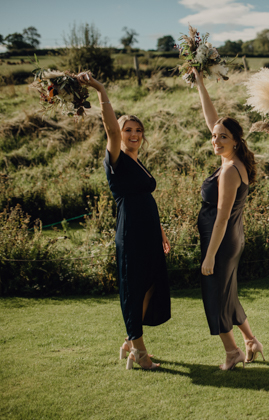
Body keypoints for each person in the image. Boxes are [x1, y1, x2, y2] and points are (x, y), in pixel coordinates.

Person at [77, 72, 171, 370]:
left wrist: (160, 231)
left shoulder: (136, 161)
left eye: (138, 130)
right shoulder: (115, 157)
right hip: (130, 230)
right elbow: (111, 131)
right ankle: (139, 352)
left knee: (150, 285)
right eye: (127, 129)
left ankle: (131, 342)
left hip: (148, 230)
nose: (133, 134)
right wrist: (99, 89)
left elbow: (146, 199)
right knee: (134, 287)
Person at [193, 68, 263, 370]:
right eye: (214, 136)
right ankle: (250, 341)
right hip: (230, 238)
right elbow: (213, 120)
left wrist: (209, 256)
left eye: (222, 137)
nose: (216, 140)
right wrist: (199, 83)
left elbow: (221, 218)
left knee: (214, 297)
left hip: (220, 241)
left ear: (235, 140)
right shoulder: (232, 160)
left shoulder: (229, 171)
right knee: (228, 293)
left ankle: (232, 351)